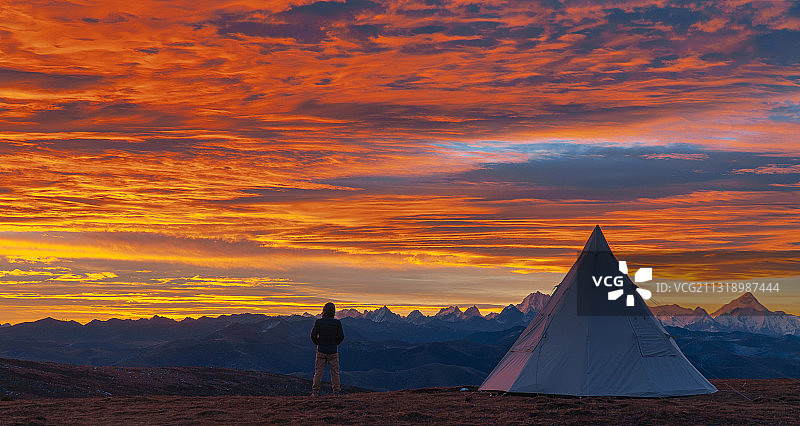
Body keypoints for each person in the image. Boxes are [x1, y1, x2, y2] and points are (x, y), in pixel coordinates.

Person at [310, 302, 344, 396]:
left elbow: (313, 335)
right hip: (333, 351)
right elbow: (341, 336)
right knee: (335, 372)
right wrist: (335, 343)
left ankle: (315, 392)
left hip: (321, 350)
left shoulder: (319, 322)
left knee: (318, 372)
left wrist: (318, 343)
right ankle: (336, 392)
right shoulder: (337, 323)